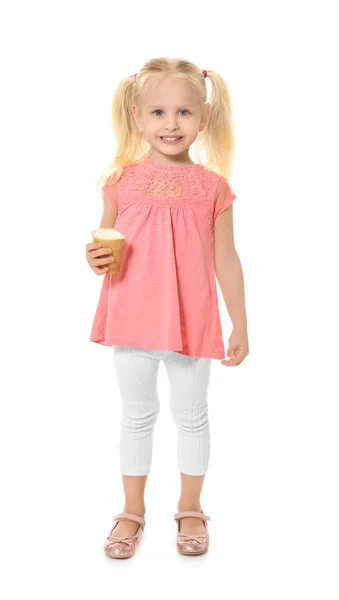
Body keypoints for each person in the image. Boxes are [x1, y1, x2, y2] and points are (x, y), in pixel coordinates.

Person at [85, 57, 249, 559]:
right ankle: (132, 511)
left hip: (189, 321)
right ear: (137, 117)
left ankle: (191, 507)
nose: (171, 124)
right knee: (136, 416)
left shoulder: (212, 188)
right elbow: (105, 244)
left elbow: (226, 258)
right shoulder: (120, 180)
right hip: (133, 318)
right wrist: (94, 259)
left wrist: (239, 323)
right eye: (158, 112)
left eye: (183, 112)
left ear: (203, 117)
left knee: (192, 415)